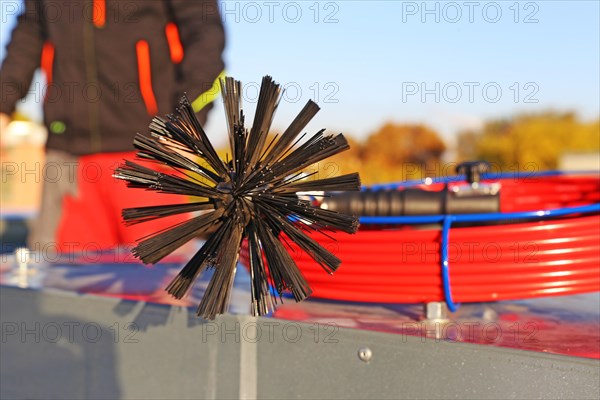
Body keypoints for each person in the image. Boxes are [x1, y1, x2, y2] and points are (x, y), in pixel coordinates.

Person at [0, 0, 225, 254]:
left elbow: (205, 33)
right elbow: (28, 33)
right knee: (57, 283)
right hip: (67, 158)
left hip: (151, 155)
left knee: (163, 284)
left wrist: (188, 119)